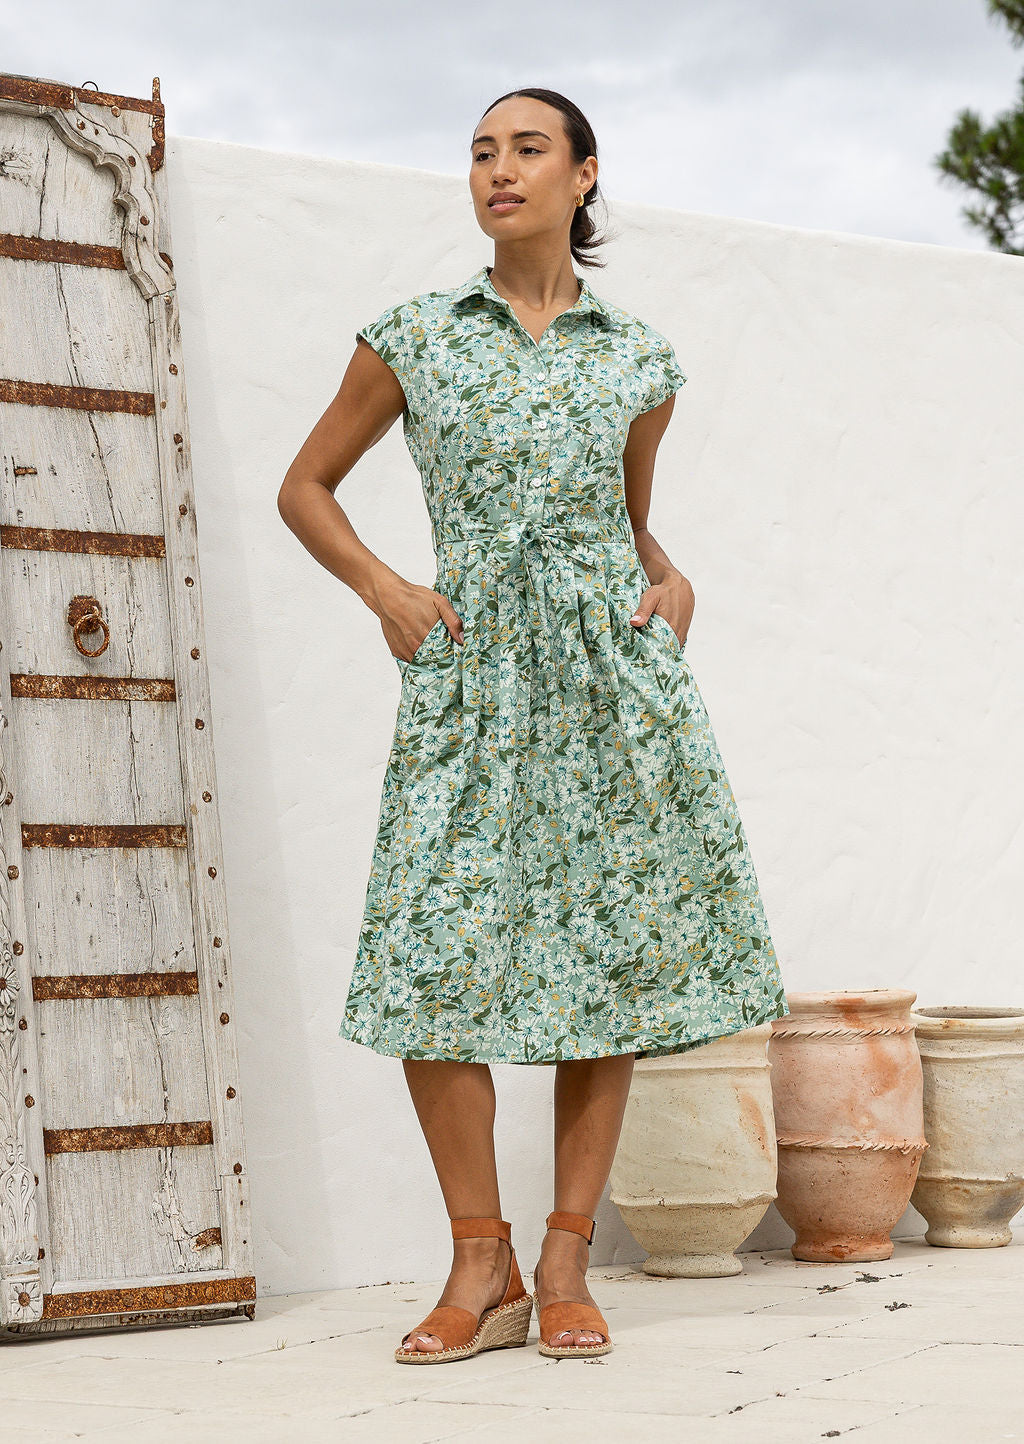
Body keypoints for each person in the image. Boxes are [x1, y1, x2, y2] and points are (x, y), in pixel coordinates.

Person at [278, 86, 788, 1365]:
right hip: (471, 676)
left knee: (604, 955)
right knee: (431, 962)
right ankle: (479, 1259)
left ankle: (564, 1259)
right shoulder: (413, 336)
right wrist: (388, 590)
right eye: (479, 153)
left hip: (609, 687)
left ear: (582, 177)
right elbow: (305, 485)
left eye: (526, 150)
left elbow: (628, 527)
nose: (497, 170)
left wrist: (671, 583)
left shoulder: (637, 362)